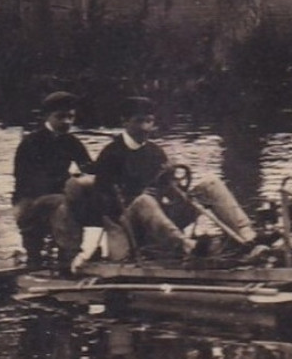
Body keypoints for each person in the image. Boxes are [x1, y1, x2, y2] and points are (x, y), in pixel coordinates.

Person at [88, 96, 258, 262]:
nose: (146, 128)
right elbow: (101, 202)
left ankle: (247, 237)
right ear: (125, 122)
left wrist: (174, 184)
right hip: (130, 225)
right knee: (144, 201)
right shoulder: (111, 154)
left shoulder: (155, 152)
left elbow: (173, 194)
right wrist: (136, 197)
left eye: (149, 121)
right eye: (139, 121)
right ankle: (188, 247)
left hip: (159, 221)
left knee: (210, 184)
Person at [11, 91, 94, 274]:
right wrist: (71, 183)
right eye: (61, 116)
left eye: (71, 117)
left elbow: (90, 168)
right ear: (46, 117)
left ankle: (77, 253)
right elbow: (28, 181)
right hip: (28, 201)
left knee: (87, 200)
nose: (67, 122)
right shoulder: (30, 143)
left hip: (58, 197)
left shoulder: (72, 141)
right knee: (65, 204)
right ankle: (67, 255)